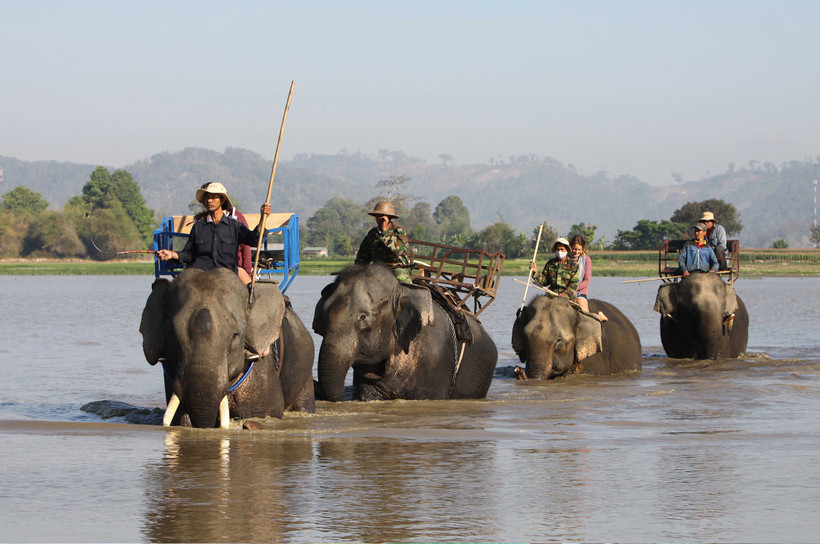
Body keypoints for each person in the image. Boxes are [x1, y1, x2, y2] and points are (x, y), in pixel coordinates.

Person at [156, 182, 271, 284]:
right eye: (207, 197)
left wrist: (262, 217)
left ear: (222, 200)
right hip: (200, 274)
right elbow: (189, 255)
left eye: (213, 197)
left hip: (228, 275)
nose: (209, 200)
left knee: (252, 297)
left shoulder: (235, 226)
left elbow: (254, 239)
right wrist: (172, 254)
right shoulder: (198, 227)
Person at [355, 201, 413, 283]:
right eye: (377, 217)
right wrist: (357, 270)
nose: (380, 221)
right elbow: (362, 256)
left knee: (403, 281)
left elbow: (397, 251)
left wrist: (383, 232)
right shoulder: (372, 234)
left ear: (389, 218)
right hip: (377, 269)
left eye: (382, 218)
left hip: (398, 268)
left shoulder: (399, 232)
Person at [569, 235, 607, 321]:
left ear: (582, 249)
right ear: (570, 247)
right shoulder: (565, 259)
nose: (576, 252)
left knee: (585, 318)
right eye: (574, 249)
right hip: (565, 292)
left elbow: (587, 280)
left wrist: (574, 288)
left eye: (579, 250)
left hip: (579, 292)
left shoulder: (586, 260)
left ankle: (598, 316)